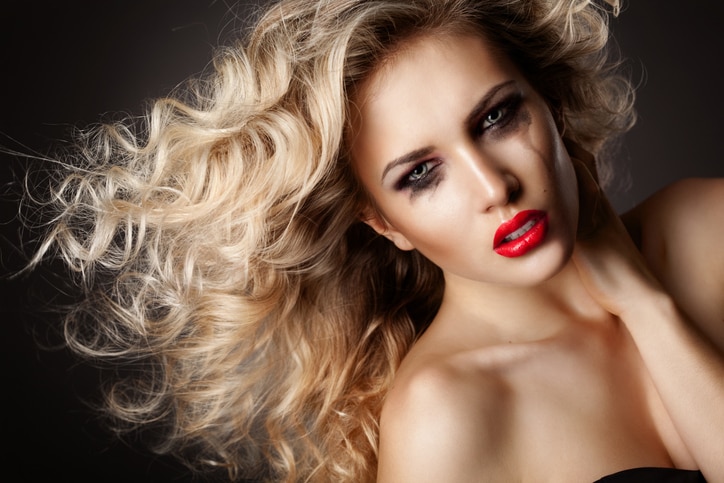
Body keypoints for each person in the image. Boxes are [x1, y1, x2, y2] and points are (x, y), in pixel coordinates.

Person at [21, 0, 724, 481]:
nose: (492, 186)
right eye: (421, 174)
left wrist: (646, 304)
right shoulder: (444, 417)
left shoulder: (705, 226)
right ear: (381, 219)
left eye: (498, 117)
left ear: (550, 104)